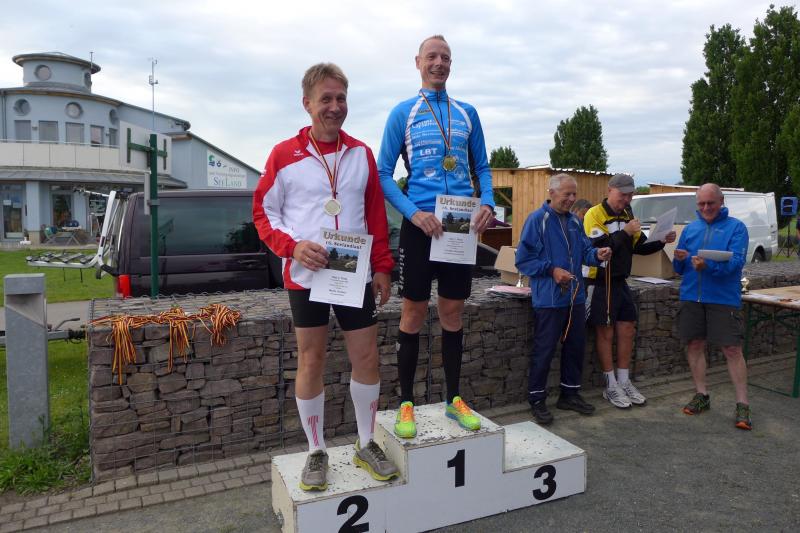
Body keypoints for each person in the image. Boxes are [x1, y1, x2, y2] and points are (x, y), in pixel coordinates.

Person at [253, 63, 399, 491]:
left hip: (353, 272)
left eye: (341, 98)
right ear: (307, 104)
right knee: (312, 359)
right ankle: (316, 449)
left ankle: (366, 442)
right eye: (326, 99)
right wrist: (292, 246)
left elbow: (375, 215)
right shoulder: (284, 155)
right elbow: (263, 212)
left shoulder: (361, 154)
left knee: (366, 357)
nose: (335, 107)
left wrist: (383, 266)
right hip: (307, 274)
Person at [377, 35, 495, 438]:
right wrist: (413, 213)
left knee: (452, 313)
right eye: (432, 56)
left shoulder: (467, 113)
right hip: (420, 226)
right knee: (412, 313)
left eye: (445, 57)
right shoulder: (403, 112)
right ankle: (406, 403)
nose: (439, 63)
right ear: (418, 62)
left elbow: (483, 167)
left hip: (459, 225)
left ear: (451, 64)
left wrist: (488, 202)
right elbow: (383, 174)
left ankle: (453, 399)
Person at [515, 173, 611, 425]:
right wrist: (552, 271)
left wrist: (598, 254)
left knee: (575, 347)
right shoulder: (537, 220)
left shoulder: (575, 221)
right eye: (567, 194)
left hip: (575, 297)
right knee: (544, 350)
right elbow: (523, 260)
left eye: (574, 194)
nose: (571, 199)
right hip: (548, 300)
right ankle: (537, 400)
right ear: (552, 192)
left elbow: (585, 252)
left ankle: (569, 394)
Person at [584, 173, 676, 408]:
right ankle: (610, 385)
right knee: (605, 333)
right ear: (610, 191)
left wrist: (662, 240)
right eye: (622, 195)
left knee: (627, 329)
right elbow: (600, 249)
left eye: (630, 195)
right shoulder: (594, 214)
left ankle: (624, 381)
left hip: (621, 281)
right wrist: (625, 232)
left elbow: (639, 247)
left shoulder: (628, 215)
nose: (626, 200)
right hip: (600, 281)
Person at [673, 183, 751, 430]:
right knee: (694, 345)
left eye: (711, 203)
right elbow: (679, 269)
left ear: (721, 201)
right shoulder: (690, 228)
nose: (706, 208)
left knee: (732, 350)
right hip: (691, 296)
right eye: (701, 203)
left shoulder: (736, 227)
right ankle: (701, 395)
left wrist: (708, 267)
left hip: (723, 298)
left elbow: (736, 263)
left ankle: (743, 404)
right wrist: (678, 259)